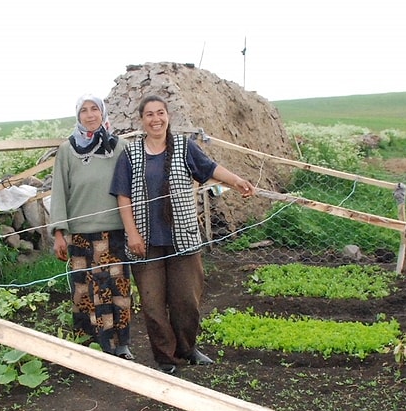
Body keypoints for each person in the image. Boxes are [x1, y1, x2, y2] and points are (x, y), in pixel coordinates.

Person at [110, 94, 256, 374]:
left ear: (168, 116)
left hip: (183, 239)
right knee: (153, 304)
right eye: (149, 114)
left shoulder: (184, 148)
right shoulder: (131, 153)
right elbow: (123, 195)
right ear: (142, 120)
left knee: (186, 300)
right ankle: (165, 358)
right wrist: (132, 234)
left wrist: (237, 181)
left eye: (160, 113)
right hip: (146, 242)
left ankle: (187, 349)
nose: (156, 119)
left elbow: (210, 169)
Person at [48, 93, 134, 360]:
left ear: (103, 113)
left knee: (117, 287)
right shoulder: (67, 149)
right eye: (84, 110)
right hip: (81, 233)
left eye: (94, 109)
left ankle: (121, 344)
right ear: (78, 116)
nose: (89, 115)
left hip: (115, 231)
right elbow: (60, 190)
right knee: (85, 290)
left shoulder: (118, 147)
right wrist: (59, 232)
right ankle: (89, 346)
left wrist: (134, 228)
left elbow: (130, 189)